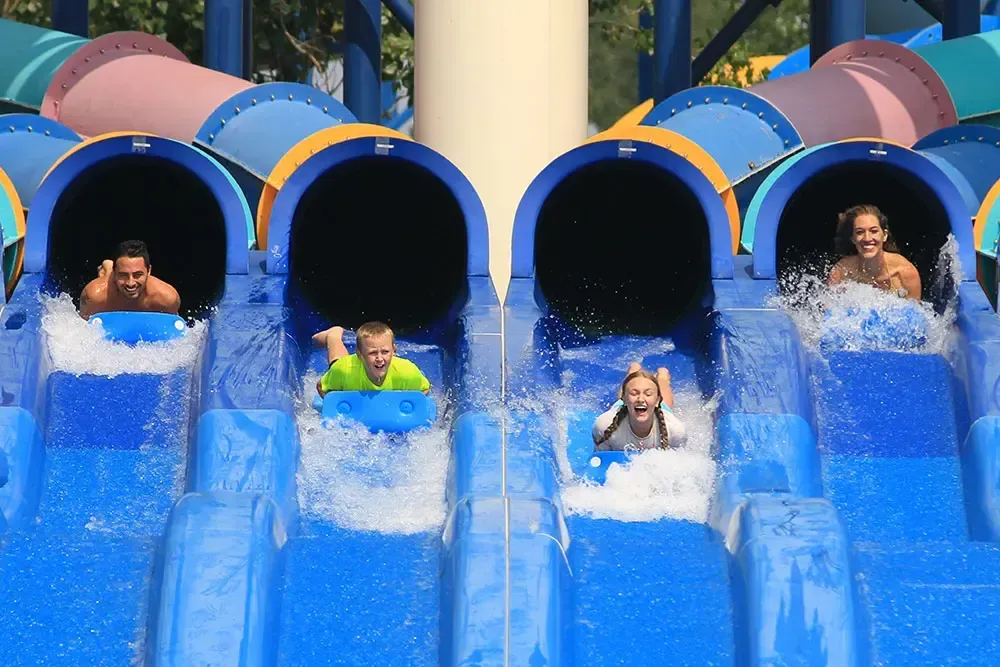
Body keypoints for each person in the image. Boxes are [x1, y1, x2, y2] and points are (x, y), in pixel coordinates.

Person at [314, 321, 431, 398]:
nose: (379, 358)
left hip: (356, 367)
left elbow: (425, 389)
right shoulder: (343, 370)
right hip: (349, 368)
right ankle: (333, 335)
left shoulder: (407, 371)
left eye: (385, 352)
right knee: (337, 361)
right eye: (372, 353)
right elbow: (321, 387)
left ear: (394, 350)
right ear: (359, 354)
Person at [828, 204, 921, 300]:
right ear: (853, 239)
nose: (867, 238)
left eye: (874, 231)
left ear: (884, 235)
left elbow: (915, 312)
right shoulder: (841, 272)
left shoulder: (905, 273)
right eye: (860, 232)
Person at [592, 362, 687, 452]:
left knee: (662, 386)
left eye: (648, 394)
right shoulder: (604, 426)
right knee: (633, 382)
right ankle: (633, 369)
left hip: (657, 410)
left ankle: (663, 375)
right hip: (625, 409)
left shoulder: (674, 430)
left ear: (658, 400)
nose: (641, 399)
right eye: (634, 393)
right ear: (623, 399)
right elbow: (600, 461)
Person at [79, 240, 180, 319]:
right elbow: (83, 332)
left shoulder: (167, 298)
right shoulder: (94, 296)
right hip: (109, 287)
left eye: (138, 275)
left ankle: (110, 268)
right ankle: (108, 269)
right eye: (123, 275)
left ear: (149, 271)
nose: (131, 283)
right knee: (106, 279)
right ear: (115, 272)